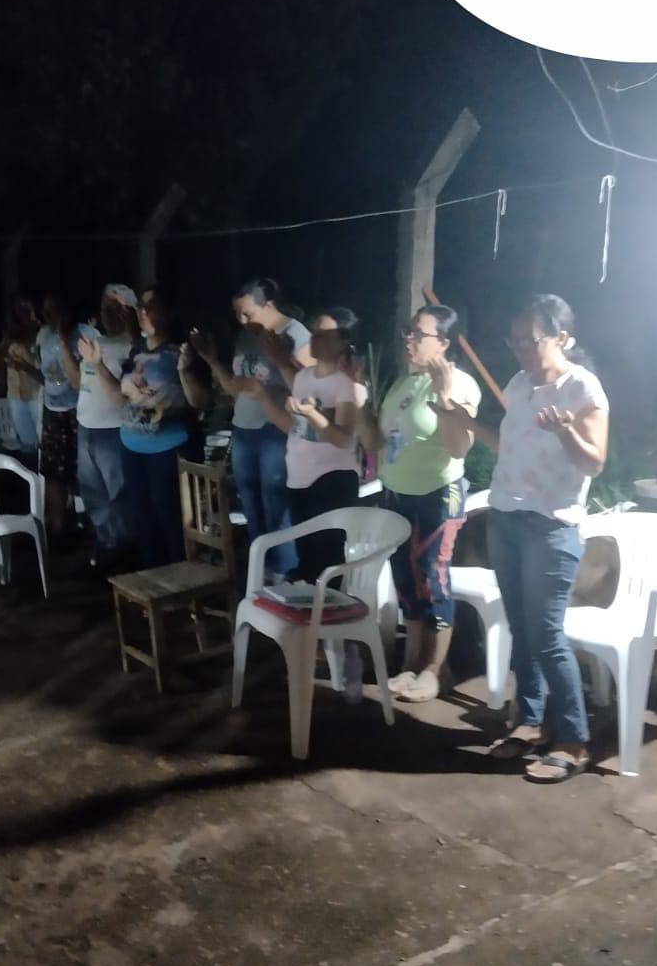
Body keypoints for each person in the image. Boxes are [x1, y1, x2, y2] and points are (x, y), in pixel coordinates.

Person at [451, 294, 609, 784]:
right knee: (521, 628)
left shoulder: (583, 388)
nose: (520, 349)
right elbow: (511, 445)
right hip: (506, 518)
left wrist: (566, 433)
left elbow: (594, 462)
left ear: (562, 338)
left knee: (546, 635)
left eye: (530, 340)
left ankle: (573, 741)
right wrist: (469, 424)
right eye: (514, 341)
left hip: (550, 526)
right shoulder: (519, 385)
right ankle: (530, 722)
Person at [358, 304, 481, 703]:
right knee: (405, 577)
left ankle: (436, 669)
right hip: (396, 493)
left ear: (443, 343)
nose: (408, 340)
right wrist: (359, 399)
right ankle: (412, 662)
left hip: (437, 494)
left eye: (418, 334)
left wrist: (444, 399)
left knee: (433, 576)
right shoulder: (404, 384)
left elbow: (459, 447)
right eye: (407, 332)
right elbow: (376, 441)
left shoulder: (460, 384)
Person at [188, 278, 312, 582]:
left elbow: (309, 391)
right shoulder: (245, 339)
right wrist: (212, 361)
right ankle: (260, 572)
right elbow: (236, 389)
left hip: (277, 431)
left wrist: (281, 362)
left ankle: (284, 576)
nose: (242, 321)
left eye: (248, 313)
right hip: (244, 430)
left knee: (276, 506)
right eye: (237, 314)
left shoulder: (295, 334)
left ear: (268, 305)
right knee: (251, 506)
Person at [84, 288, 202, 567]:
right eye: (140, 307)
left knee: (171, 520)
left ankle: (180, 581)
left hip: (169, 448)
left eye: (152, 307)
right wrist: (97, 365)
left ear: (169, 312)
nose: (144, 313)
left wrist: (185, 371)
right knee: (143, 521)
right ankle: (152, 579)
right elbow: (119, 399)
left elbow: (200, 402)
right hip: (132, 446)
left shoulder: (183, 351)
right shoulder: (136, 350)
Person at [246, 307, 363, 583]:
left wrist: (312, 415)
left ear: (344, 342)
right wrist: (262, 397)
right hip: (299, 480)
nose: (315, 338)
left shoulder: (348, 385)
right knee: (308, 562)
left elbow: (345, 438)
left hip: (331, 482)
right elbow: (294, 429)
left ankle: (331, 610)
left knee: (328, 565)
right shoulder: (304, 378)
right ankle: (310, 609)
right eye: (315, 332)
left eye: (324, 334)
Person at [72, 284, 140, 572]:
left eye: (115, 308)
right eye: (105, 308)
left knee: (119, 497)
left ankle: (125, 554)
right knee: (94, 495)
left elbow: (124, 394)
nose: (108, 314)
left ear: (129, 311)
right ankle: (107, 546)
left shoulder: (134, 346)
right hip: (86, 426)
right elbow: (79, 383)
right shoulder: (94, 341)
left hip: (114, 429)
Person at [28, 294, 84, 541]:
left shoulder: (84, 334)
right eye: (46, 312)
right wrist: (25, 368)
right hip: (52, 409)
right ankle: (58, 526)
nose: (48, 317)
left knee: (79, 468)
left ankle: (85, 523)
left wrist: (63, 341)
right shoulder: (43, 335)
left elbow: (79, 380)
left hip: (78, 410)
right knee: (52, 471)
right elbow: (47, 377)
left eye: (53, 312)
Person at [0, 296, 42, 454]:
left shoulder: (41, 332)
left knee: (42, 442)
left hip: (36, 394)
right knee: (27, 443)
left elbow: (43, 372)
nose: (23, 311)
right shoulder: (12, 334)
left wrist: (24, 366)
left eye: (26, 307)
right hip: (15, 394)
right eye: (19, 307)